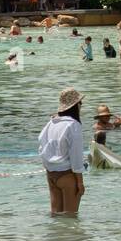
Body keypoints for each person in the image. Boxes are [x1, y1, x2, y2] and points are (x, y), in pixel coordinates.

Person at [38, 88, 86, 216]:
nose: (81, 106)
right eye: (80, 103)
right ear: (76, 106)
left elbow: (42, 147)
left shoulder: (51, 122)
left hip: (51, 174)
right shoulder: (73, 125)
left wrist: (49, 167)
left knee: (56, 217)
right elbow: (76, 156)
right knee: (70, 219)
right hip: (67, 175)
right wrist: (80, 182)